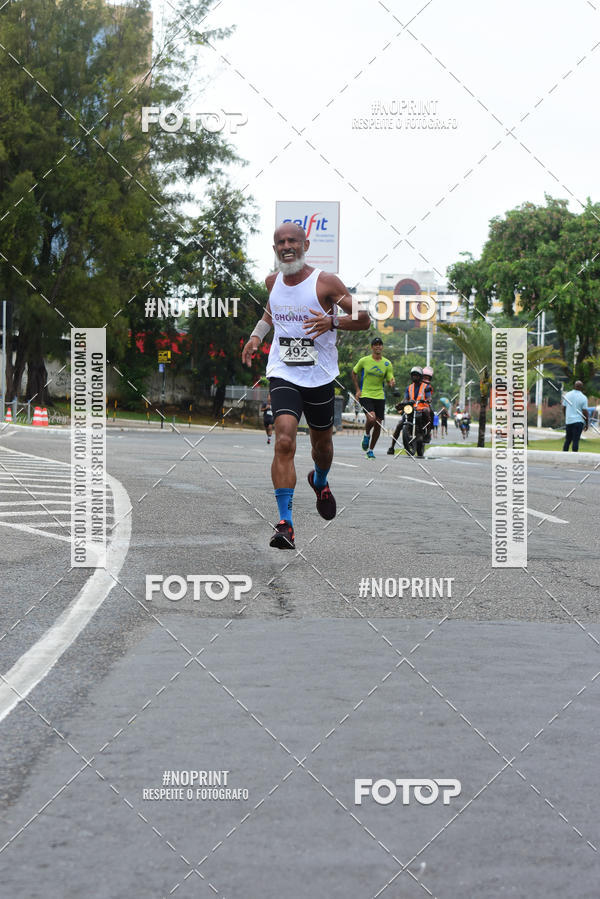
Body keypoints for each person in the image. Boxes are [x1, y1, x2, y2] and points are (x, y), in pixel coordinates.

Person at [242, 222, 370, 549]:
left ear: (305, 244)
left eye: (293, 241)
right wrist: (257, 336)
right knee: (283, 438)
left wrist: (333, 320)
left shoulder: (325, 282)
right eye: (280, 242)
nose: (287, 246)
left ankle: (320, 480)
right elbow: (272, 312)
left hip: (320, 375)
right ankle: (285, 523)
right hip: (283, 370)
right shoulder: (272, 282)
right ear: (275, 249)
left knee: (322, 446)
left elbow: (364, 318)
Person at [351, 337, 395, 459]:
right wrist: (357, 390)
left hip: (380, 396)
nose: (378, 347)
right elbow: (354, 372)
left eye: (380, 344)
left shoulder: (387, 363)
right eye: (375, 345)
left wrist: (391, 383)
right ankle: (366, 435)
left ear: (382, 347)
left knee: (378, 424)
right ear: (372, 347)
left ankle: (370, 450)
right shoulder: (364, 361)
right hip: (365, 394)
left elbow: (389, 377)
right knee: (371, 418)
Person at [387, 365, 422, 454]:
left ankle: (425, 433)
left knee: (425, 419)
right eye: (413, 375)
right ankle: (392, 447)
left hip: (421, 409)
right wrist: (403, 403)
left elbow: (429, 397)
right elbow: (406, 398)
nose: (415, 377)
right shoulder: (409, 387)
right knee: (399, 425)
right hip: (410, 408)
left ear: (420, 377)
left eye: (417, 375)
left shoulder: (425, 387)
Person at [562, 380, 589, 452]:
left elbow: (564, 408)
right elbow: (585, 411)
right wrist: (587, 423)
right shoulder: (583, 397)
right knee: (576, 440)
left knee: (568, 440)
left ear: (574, 386)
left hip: (569, 421)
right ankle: (574, 455)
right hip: (578, 422)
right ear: (582, 387)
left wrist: (566, 416)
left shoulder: (567, 395)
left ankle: (564, 455)